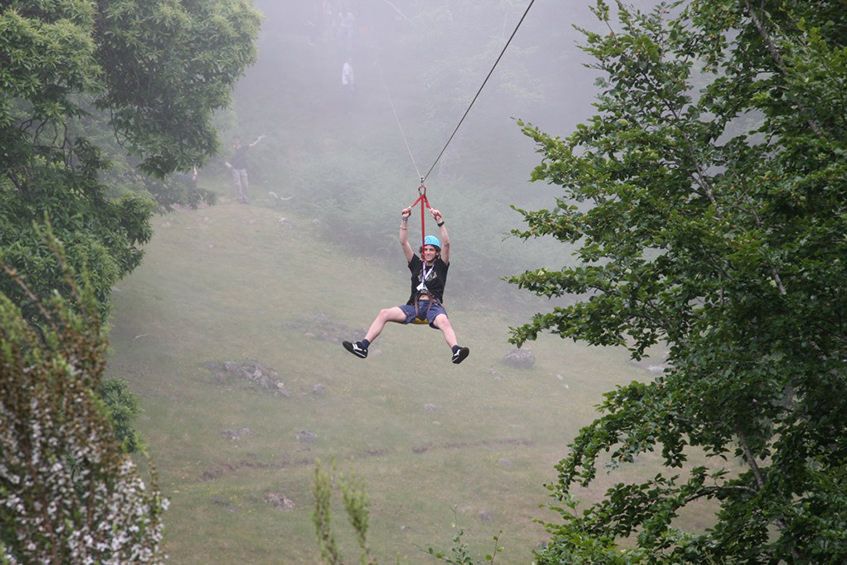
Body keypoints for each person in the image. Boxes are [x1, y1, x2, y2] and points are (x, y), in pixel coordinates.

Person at [343, 207, 470, 364]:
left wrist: (440, 221)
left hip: (433, 306)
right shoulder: (416, 264)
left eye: (431, 250)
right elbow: (403, 242)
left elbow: (447, 244)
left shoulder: (441, 266)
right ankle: (363, 346)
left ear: (437, 253)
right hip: (414, 306)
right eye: (425, 249)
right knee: (384, 313)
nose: (428, 252)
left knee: (443, 321)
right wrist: (404, 219)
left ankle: (456, 350)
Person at [224, 135, 265, 204]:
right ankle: (240, 199)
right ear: (233, 141)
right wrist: (229, 166)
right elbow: (225, 160)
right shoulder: (231, 149)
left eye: (237, 139)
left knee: (245, 184)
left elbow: (252, 145)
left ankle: (245, 198)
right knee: (238, 184)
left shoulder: (243, 148)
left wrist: (259, 139)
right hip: (235, 169)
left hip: (243, 168)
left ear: (239, 140)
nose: (236, 141)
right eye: (235, 140)